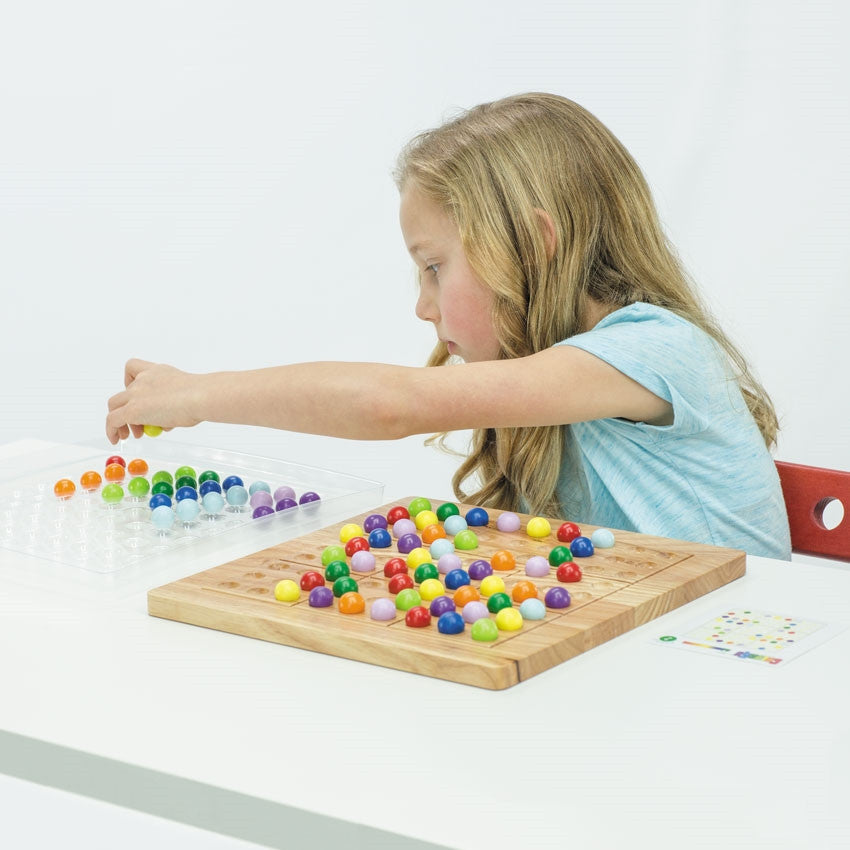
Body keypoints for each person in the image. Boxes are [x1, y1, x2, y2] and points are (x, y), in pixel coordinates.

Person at [105, 92, 791, 559]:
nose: (423, 308)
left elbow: (390, 403)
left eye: (434, 267)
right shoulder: (553, 381)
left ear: (532, 242)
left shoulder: (657, 350)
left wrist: (195, 395)